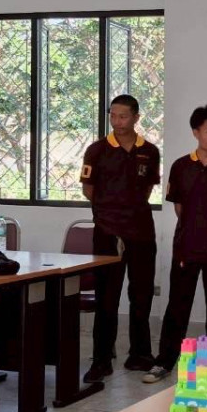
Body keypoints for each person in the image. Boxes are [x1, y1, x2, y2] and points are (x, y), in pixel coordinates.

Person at [143, 106, 207, 384]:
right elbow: (179, 207)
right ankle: (164, 362)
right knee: (177, 306)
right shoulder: (181, 166)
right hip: (186, 248)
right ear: (196, 133)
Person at [81, 95, 160, 382]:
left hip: (141, 232)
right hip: (107, 232)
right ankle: (101, 359)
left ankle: (140, 354)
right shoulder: (97, 150)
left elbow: (148, 188)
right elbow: (88, 189)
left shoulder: (149, 151)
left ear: (136, 117)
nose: (117, 121)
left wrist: (129, 210)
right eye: (113, 115)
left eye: (123, 116)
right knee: (107, 296)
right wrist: (110, 212)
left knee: (141, 294)